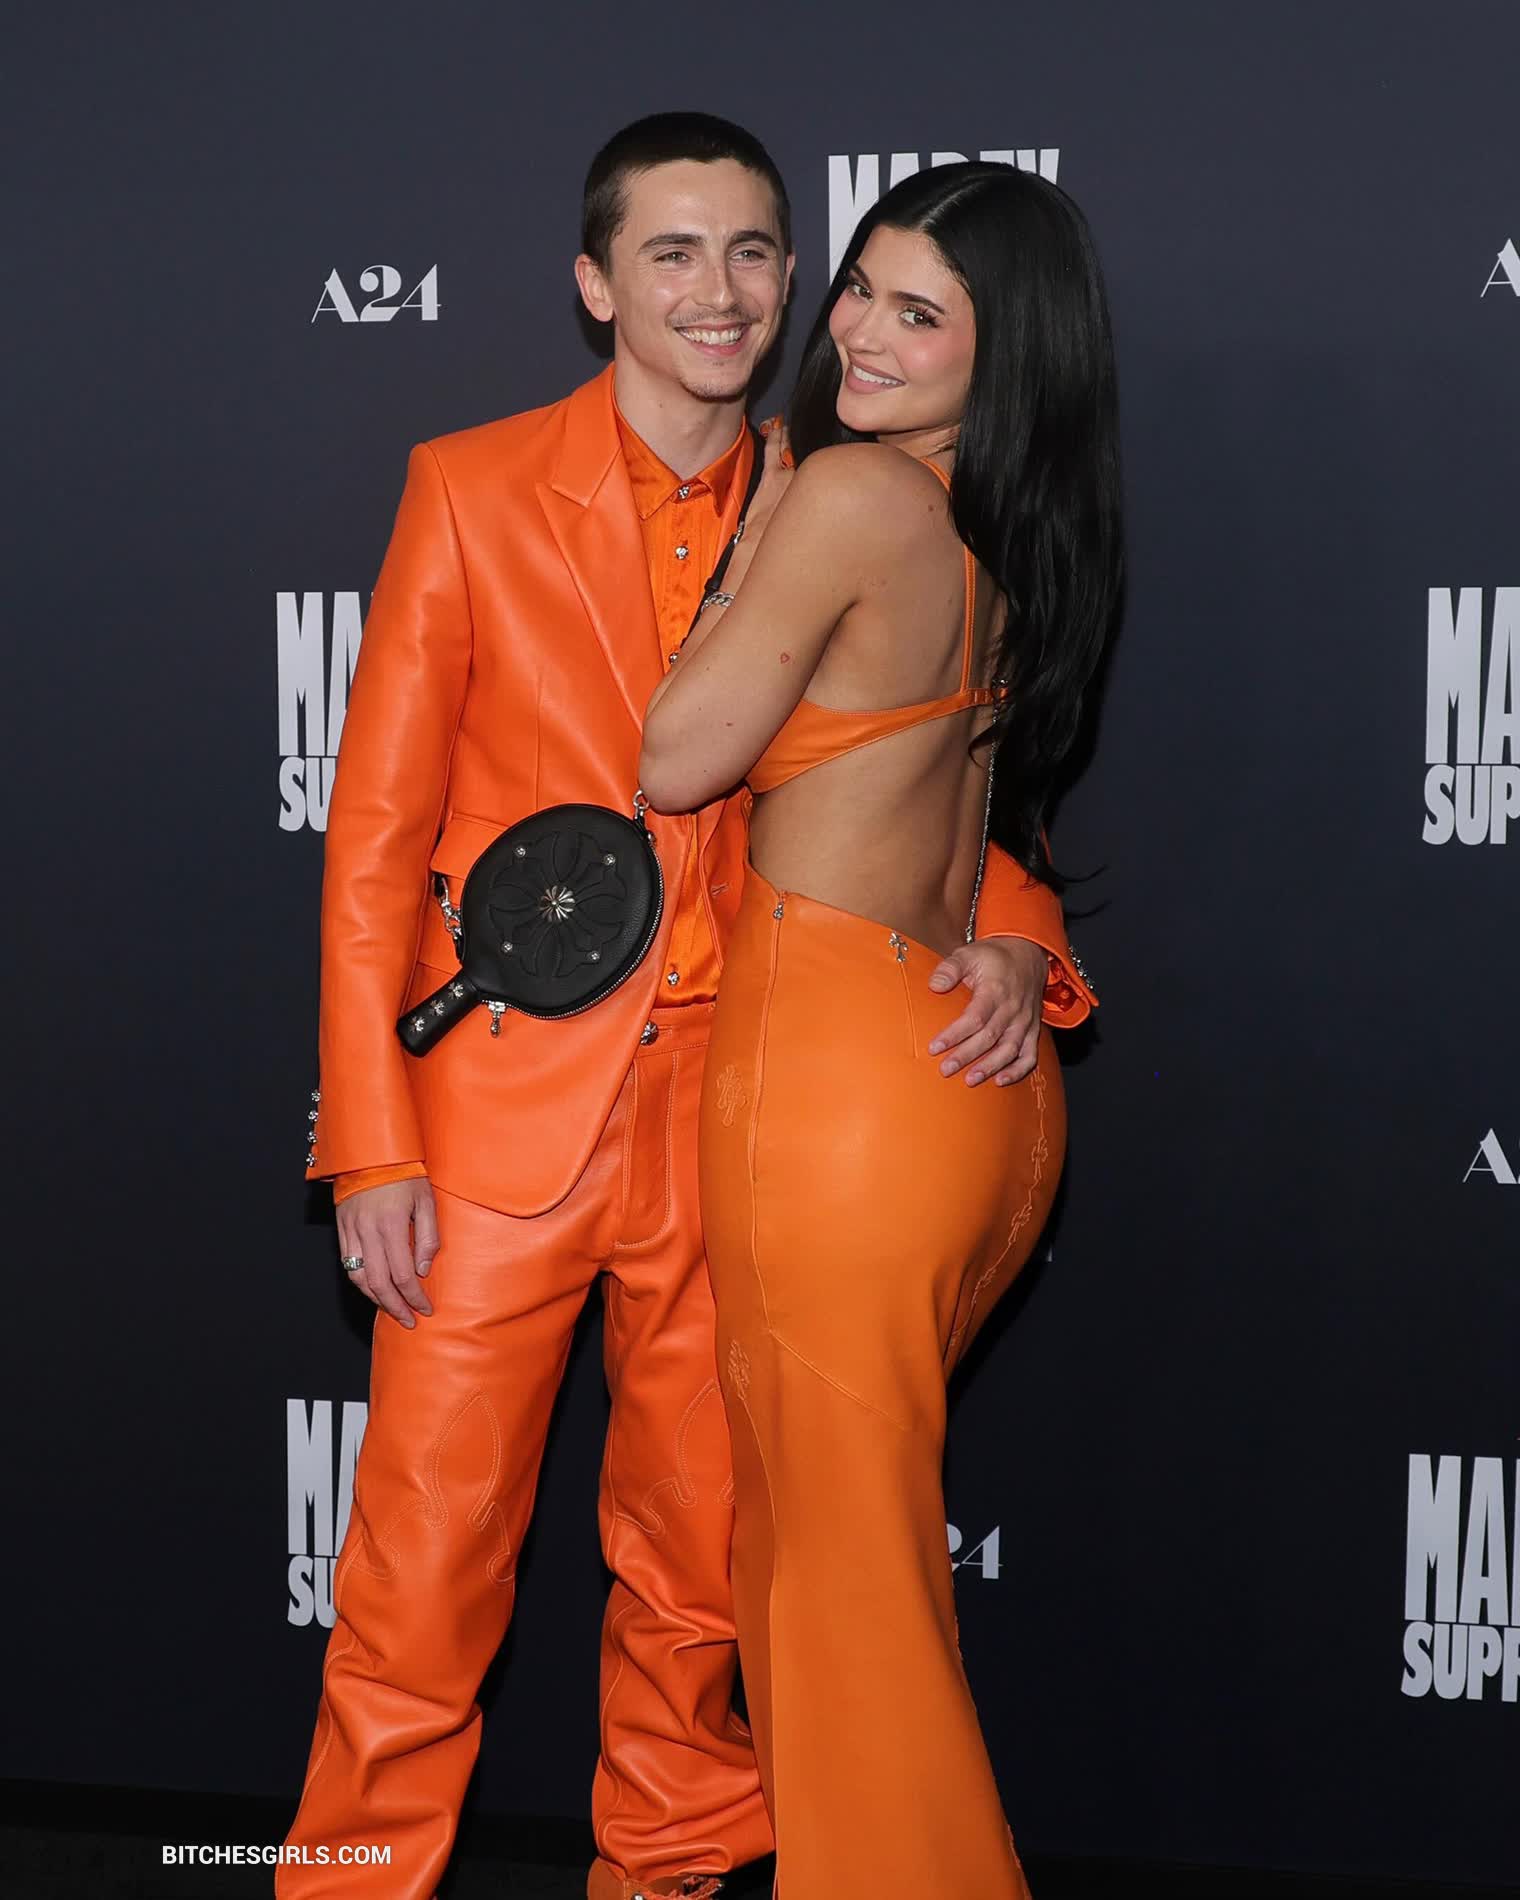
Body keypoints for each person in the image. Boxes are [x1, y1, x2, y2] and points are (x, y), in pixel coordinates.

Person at [286, 116, 1096, 1900]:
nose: (719, 292)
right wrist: (372, 1143)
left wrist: (1018, 947)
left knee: (699, 1588)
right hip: (498, 1123)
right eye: (671, 252)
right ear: (596, 285)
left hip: (746, 1124)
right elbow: (374, 845)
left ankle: (661, 1880)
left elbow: (952, 783)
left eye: (750, 252)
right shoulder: (470, 488)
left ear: (790, 277)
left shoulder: (859, 488)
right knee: (418, 1581)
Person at [639, 161, 1122, 1898]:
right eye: (860, 287)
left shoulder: (846, 495)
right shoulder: (1020, 524)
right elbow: (961, 809)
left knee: (845, 1600)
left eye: (921, 315)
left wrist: (753, 542)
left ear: (1007, 353)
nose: (856, 331)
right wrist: (1017, 954)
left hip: (837, 1079)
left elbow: (677, 757)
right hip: (975, 1090)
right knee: (823, 1565)